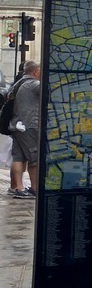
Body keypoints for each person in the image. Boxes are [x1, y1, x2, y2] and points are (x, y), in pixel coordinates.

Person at [8, 61, 41, 199]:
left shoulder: (18, 84)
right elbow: (50, 88)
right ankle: (34, 188)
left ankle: (18, 187)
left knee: (18, 157)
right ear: (35, 72)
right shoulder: (33, 84)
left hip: (17, 125)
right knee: (34, 159)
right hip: (29, 125)